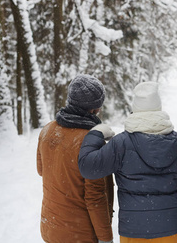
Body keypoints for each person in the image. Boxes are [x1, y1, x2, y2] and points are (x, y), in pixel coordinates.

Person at [78, 81, 177, 243]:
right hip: (172, 228)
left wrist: (96, 134)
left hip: (134, 230)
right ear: (158, 108)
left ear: (135, 109)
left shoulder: (121, 143)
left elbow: (88, 167)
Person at [37, 74, 114, 243]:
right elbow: (95, 197)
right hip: (80, 234)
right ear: (94, 108)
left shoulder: (48, 130)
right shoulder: (91, 142)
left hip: (50, 227)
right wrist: (105, 238)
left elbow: (41, 170)